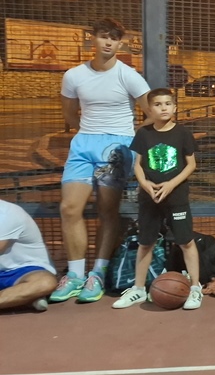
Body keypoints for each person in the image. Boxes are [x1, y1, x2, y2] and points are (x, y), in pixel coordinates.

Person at [51, 18, 151, 304]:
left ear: (120, 43)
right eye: (104, 36)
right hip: (84, 144)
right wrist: (87, 132)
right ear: (92, 38)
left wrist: (128, 139)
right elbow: (69, 114)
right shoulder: (74, 75)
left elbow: (152, 112)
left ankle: (97, 273)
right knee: (69, 208)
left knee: (107, 210)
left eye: (114, 38)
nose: (108, 42)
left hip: (116, 147)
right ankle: (75, 276)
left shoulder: (128, 75)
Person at [115, 88, 201, 309]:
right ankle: (138, 289)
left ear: (175, 107)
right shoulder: (144, 134)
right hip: (149, 198)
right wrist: (145, 184)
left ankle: (195, 288)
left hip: (176, 197)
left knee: (186, 241)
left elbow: (191, 164)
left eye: (167, 104)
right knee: (145, 242)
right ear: (149, 109)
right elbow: (138, 165)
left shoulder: (182, 133)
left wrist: (171, 184)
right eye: (158, 104)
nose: (163, 108)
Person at [0, 200, 58, 312]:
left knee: (45, 282)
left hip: (24, 270)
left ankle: (21, 297)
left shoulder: (7, 213)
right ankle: (24, 298)